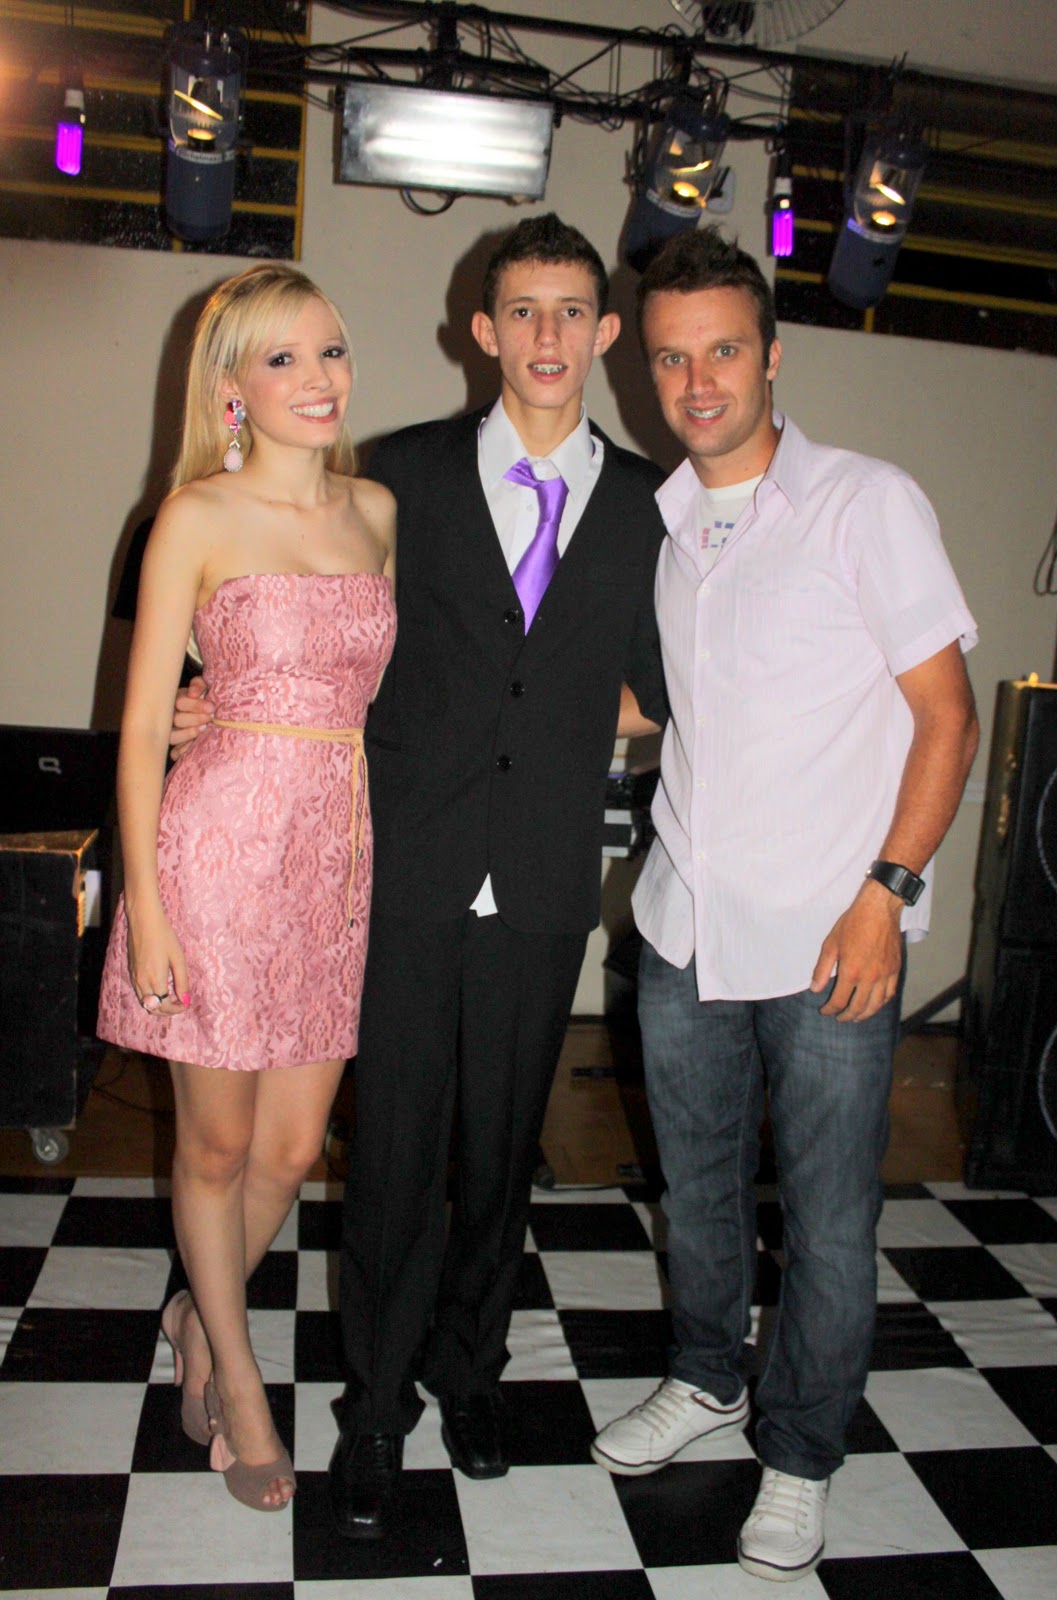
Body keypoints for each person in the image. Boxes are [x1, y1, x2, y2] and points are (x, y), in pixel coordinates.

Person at [172, 213, 669, 1539]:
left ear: (604, 333)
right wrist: (193, 705)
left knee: (500, 1155)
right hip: (394, 862)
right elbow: (281, 624)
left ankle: (471, 1371)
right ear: (481, 329)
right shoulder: (393, 478)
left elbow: (660, 681)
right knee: (389, 1152)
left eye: (572, 311)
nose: (548, 335)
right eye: (524, 310)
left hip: (543, 871)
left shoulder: (647, 505)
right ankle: (376, 1405)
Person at [589, 229, 979, 1583]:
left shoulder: (864, 501)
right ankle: (706, 1377)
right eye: (669, 358)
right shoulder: (660, 527)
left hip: (830, 938)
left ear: (770, 356)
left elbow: (945, 717)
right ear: (645, 373)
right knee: (694, 1192)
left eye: (721, 351)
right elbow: (665, 704)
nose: (695, 381)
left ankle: (801, 1450)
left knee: (824, 1217)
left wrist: (887, 894)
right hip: (684, 924)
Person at [97, 263, 397, 1512]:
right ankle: (237, 1373)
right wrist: (148, 909)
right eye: (282, 358)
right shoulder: (195, 516)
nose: (317, 378)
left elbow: (362, 691)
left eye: (329, 350)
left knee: (289, 1148)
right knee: (215, 1145)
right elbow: (137, 731)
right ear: (231, 388)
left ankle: (191, 1311)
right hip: (212, 858)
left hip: (331, 860)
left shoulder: (375, 511)